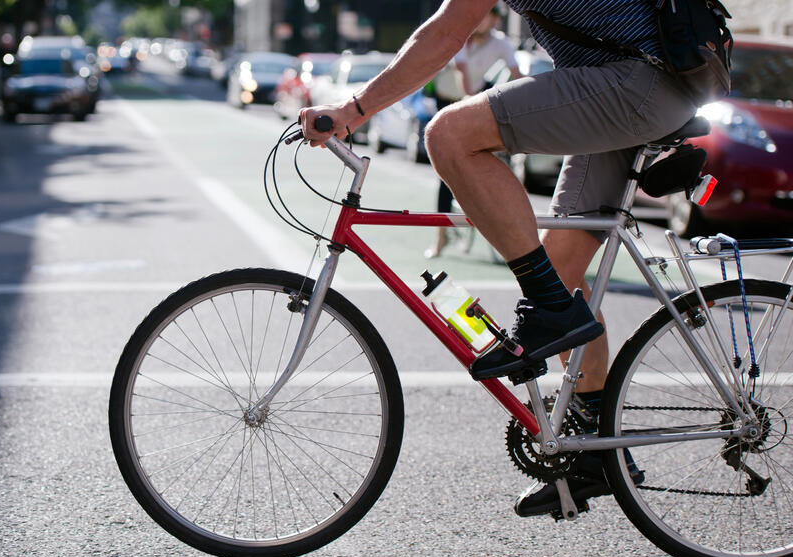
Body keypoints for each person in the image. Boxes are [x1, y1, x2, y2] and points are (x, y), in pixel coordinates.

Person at [301, 0, 708, 518]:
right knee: (561, 271)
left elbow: (446, 32)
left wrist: (354, 110)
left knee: (449, 135)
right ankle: (597, 451)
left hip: (637, 80)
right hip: (635, 79)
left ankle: (550, 312)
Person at [425, 2, 522, 259]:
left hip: (475, 102)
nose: (479, 20)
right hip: (450, 100)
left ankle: (508, 234)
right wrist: (469, 100)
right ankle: (440, 236)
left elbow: (516, 73)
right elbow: (462, 72)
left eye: (486, 16)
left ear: (495, 20)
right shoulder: (462, 36)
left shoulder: (500, 43)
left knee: (493, 164)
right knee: (445, 172)